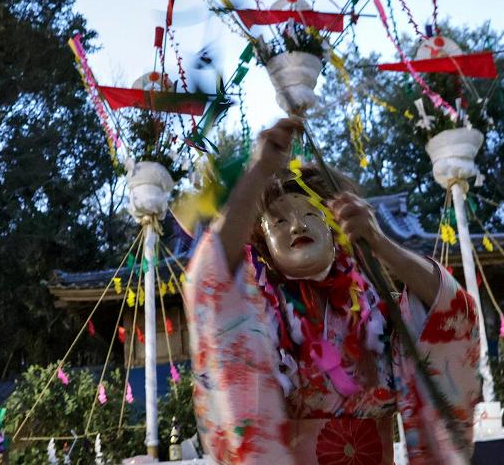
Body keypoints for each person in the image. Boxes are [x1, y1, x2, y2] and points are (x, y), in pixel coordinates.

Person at [182, 118, 481, 464]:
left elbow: (452, 309)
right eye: (278, 220)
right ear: (262, 242)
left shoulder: (380, 316)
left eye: (313, 214)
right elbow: (212, 279)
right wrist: (259, 172)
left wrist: (379, 242)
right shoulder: (259, 322)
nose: (296, 225)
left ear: (338, 230)